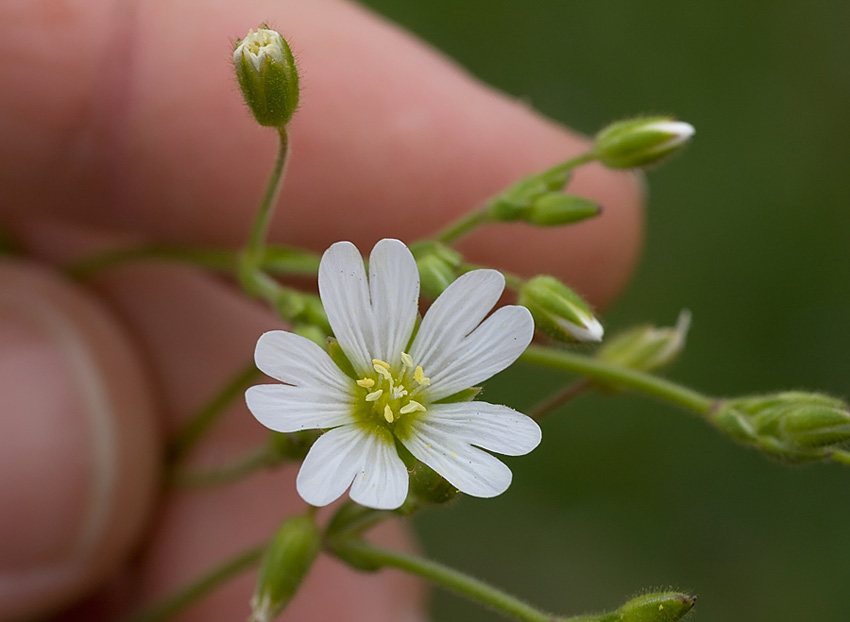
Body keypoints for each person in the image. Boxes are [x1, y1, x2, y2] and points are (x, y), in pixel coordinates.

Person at [0, 1, 643, 619]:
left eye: (394, 394)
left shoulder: (395, 412)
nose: (393, 394)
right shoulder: (368, 383)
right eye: (391, 390)